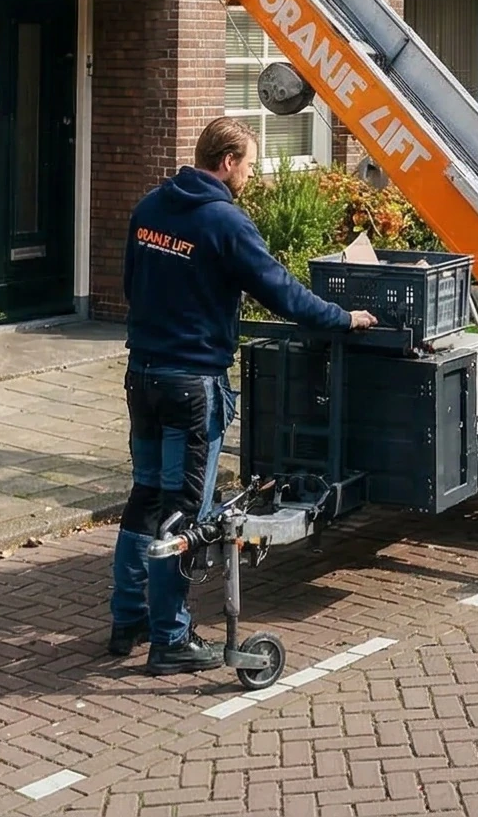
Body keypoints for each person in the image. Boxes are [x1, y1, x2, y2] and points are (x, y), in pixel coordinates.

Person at [107, 117, 376, 675]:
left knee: (145, 499)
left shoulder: (149, 208)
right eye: (250, 164)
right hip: (191, 387)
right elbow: (282, 294)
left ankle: (127, 618)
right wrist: (342, 317)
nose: (251, 175)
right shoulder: (225, 223)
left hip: (143, 376)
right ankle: (171, 640)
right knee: (182, 515)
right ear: (226, 162)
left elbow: (131, 287)